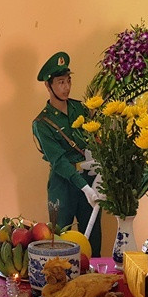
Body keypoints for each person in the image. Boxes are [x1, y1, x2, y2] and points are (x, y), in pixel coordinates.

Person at [31, 52, 102, 254]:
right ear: (48, 85)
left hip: (90, 178)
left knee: (93, 237)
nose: (66, 87)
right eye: (60, 82)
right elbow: (59, 161)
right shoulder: (42, 123)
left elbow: (95, 140)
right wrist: (84, 188)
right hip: (63, 185)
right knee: (60, 240)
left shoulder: (81, 109)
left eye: (68, 81)